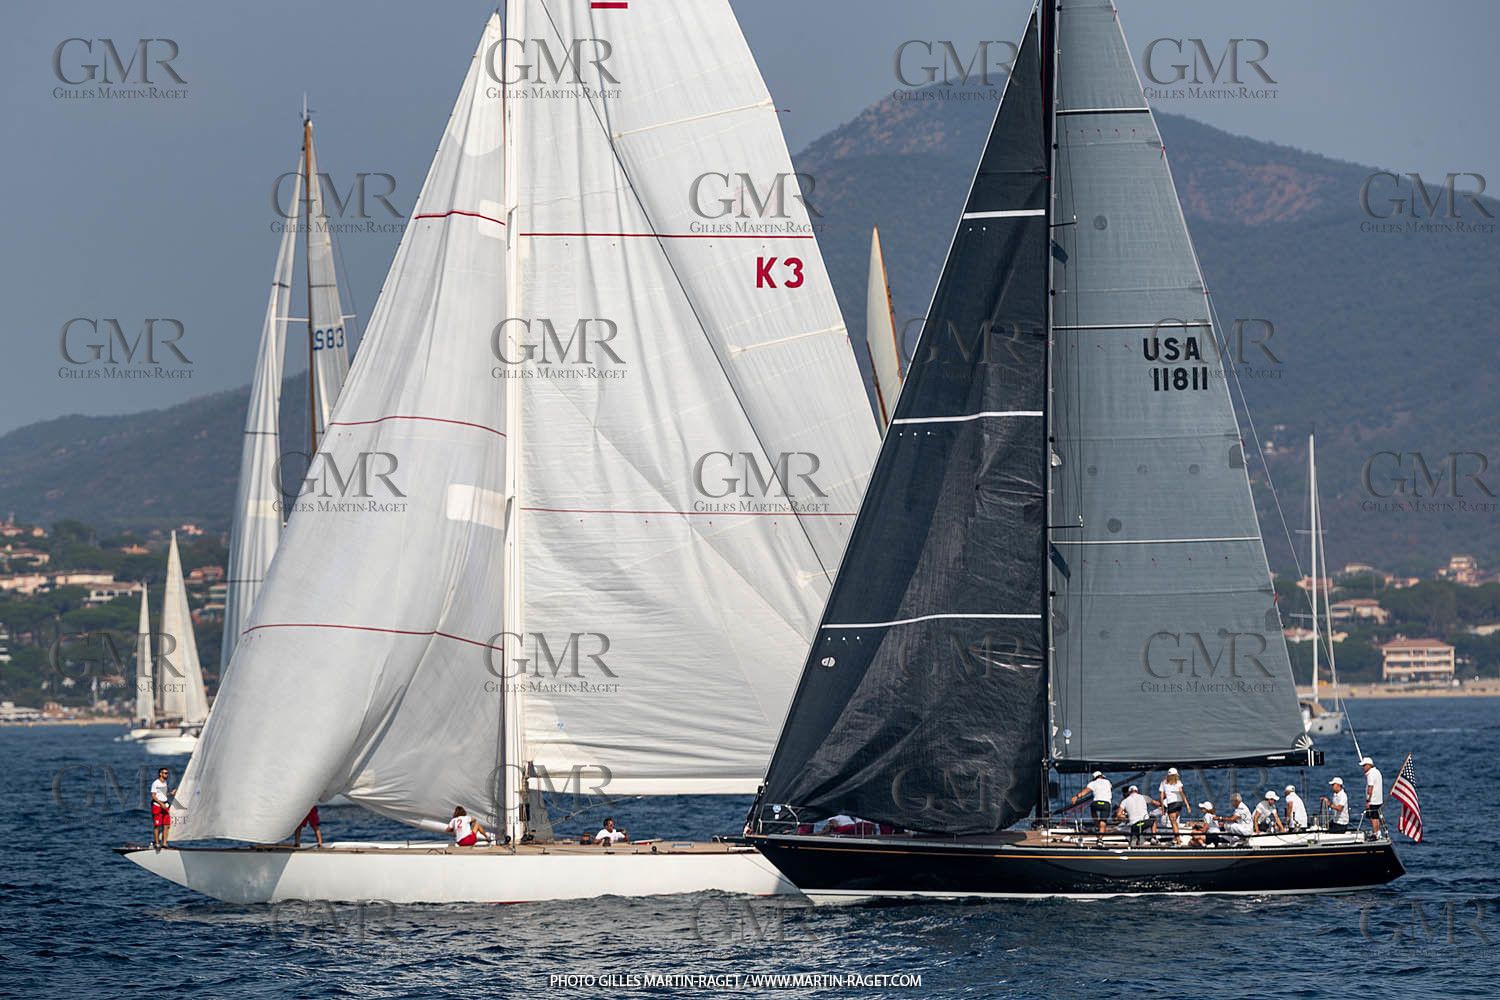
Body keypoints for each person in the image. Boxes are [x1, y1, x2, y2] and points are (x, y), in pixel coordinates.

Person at [1070, 771, 1113, 845]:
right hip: (1106, 803)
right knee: (1103, 821)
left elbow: (1085, 791)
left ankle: (1097, 826)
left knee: (1093, 810)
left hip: (1096, 803)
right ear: (1101, 776)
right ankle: (1100, 839)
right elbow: (1110, 788)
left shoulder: (1092, 783)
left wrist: (1076, 797)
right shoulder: (1108, 782)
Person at [1152, 767, 1191, 840]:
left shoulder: (1163, 783)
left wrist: (1163, 809)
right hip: (1179, 803)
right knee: (1175, 823)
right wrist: (1188, 806)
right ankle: (1175, 838)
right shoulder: (1178, 782)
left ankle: (1178, 840)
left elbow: (1161, 797)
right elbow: (1182, 794)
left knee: (1173, 823)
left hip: (1171, 804)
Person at [150, 767, 174, 849]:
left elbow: (164, 794)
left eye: (167, 773)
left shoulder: (165, 783)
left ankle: (164, 844)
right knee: (157, 825)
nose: (167, 774)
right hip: (157, 806)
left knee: (166, 825)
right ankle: (156, 843)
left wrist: (171, 793)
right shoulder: (155, 783)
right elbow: (153, 795)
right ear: (160, 774)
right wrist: (161, 804)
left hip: (165, 805)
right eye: (165, 773)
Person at [1361, 756, 1384, 837]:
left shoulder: (1371, 774)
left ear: (1369, 765)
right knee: (1376, 817)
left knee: (1373, 818)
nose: (1363, 768)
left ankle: (1375, 833)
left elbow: (1370, 787)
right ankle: (1378, 832)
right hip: (1378, 799)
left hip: (1373, 800)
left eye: (1364, 766)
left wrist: (1368, 800)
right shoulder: (1377, 772)